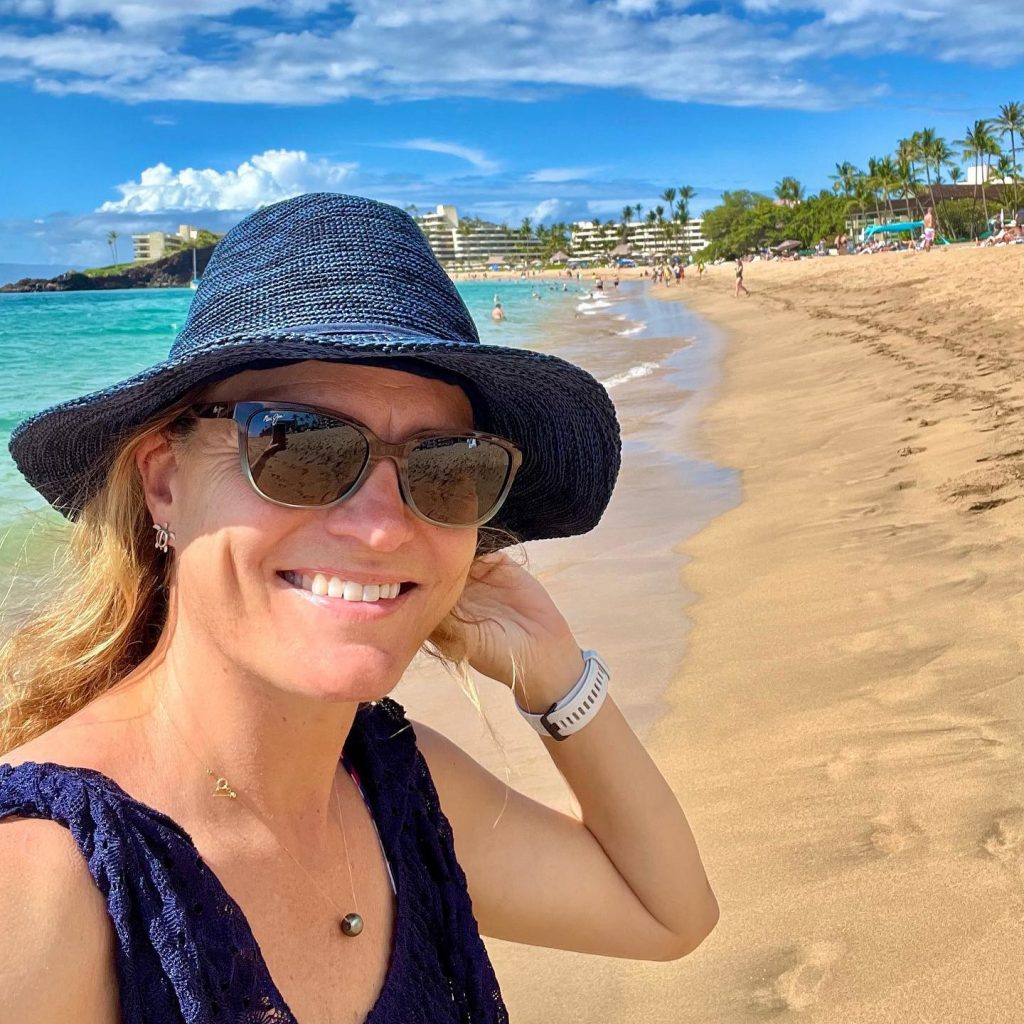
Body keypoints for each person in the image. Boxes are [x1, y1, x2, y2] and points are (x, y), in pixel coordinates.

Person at [0, 193, 718, 1024]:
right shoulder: (42, 887)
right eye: (299, 447)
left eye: (447, 465)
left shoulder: (391, 784)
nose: (381, 529)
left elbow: (668, 913)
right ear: (163, 482)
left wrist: (557, 679)